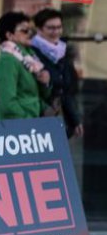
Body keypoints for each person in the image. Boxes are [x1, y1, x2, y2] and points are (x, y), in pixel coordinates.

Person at [32, 8, 83, 138]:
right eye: (51, 28)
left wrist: (75, 119)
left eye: (59, 27)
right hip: (37, 122)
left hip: (60, 120)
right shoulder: (31, 53)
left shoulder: (62, 51)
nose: (56, 32)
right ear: (39, 29)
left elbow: (66, 91)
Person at [0, 11, 50, 120]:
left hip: (31, 123)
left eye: (32, 31)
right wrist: (28, 120)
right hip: (14, 129)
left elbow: (36, 95)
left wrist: (45, 82)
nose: (30, 34)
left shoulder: (30, 58)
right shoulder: (7, 61)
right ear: (9, 35)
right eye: (24, 31)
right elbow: (8, 104)